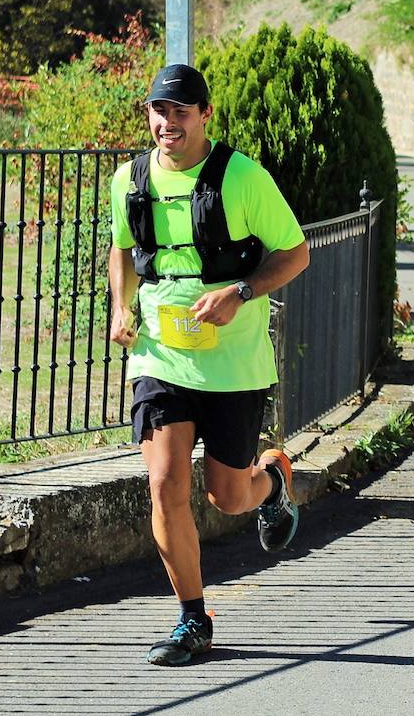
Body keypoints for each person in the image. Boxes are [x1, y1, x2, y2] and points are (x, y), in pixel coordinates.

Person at [108, 63, 311, 667]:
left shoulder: (243, 178)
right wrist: (121, 306)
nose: (166, 123)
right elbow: (122, 248)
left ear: (204, 116)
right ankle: (193, 620)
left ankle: (272, 478)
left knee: (226, 496)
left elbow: (296, 253)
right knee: (164, 483)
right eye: (157, 111)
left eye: (179, 112)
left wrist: (239, 294)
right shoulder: (130, 179)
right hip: (160, 356)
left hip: (233, 364)